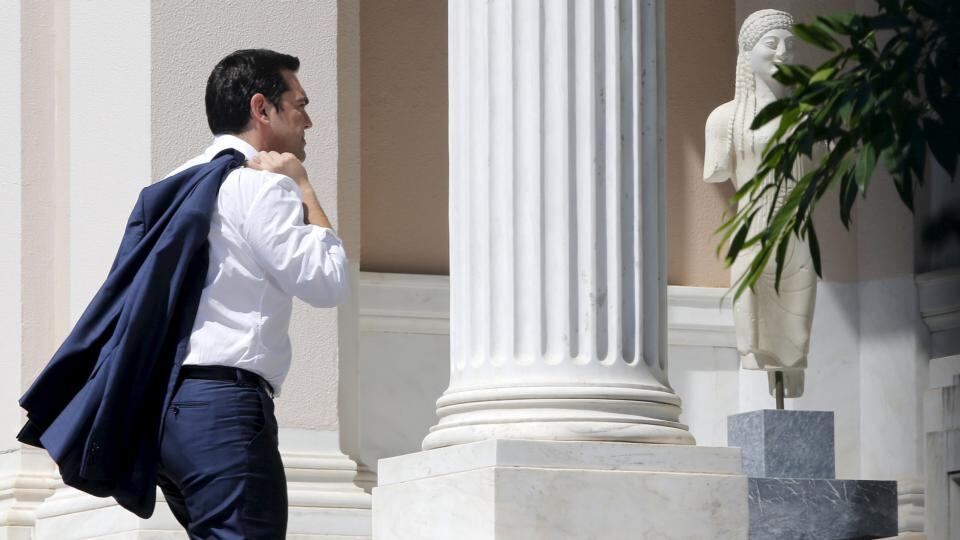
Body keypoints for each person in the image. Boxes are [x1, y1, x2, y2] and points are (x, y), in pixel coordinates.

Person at [155, 49, 349, 538]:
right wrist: (303, 186)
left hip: (166, 411)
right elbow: (327, 282)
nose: (309, 120)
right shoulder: (264, 186)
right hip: (225, 410)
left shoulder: (170, 186)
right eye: (300, 103)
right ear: (262, 109)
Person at [703, 10, 817, 399]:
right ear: (747, 53)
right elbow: (717, 170)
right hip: (753, 235)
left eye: (790, 44)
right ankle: (763, 363)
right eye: (772, 43)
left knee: (796, 335)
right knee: (755, 334)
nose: (783, 52)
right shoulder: (725, 120)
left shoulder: (808, 117)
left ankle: (791, 372)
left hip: (797, 237)